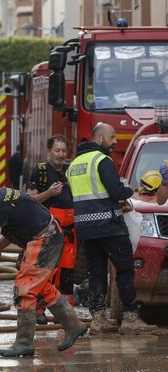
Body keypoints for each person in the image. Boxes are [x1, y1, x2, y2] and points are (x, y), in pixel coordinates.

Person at [0, 170, 87, 357]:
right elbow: (16, 222)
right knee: (39, 288)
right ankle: (74, 325)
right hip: (47, 235)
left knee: (24, 289)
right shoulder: (0, 196)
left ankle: (24, 342)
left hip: (45, 238)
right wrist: (0, 247)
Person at [66, 122, 158, 334]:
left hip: (86, 228)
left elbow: (77, 197)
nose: (115, 141)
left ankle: (98, 318)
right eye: (112, 137)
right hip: (109, 225)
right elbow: (115, 191)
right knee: (124, 269)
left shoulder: (75, 165)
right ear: (99, 139)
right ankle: (131, 318)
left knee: (96, 271)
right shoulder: (102, 160)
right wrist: (129, 190)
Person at [27, 135, 77, 325]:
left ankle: (65, 312)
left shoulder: (70, 170)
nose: (60, 154)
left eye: (64, 151)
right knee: (46, 269)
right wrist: (49, 193)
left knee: (67, 272)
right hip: (48, 229)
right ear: (49, 151)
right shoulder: (40, 171)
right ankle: (39, 310)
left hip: (70, 231)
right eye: (57, 150)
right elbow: (30, 200)